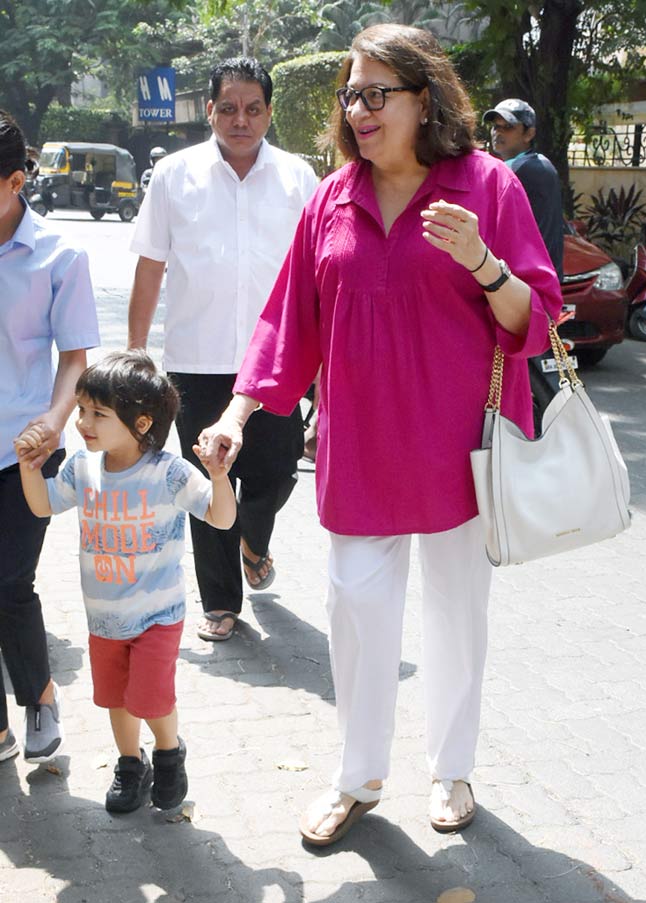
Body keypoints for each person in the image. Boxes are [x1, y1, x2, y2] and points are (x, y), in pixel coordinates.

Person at [197, 24, 563, 845]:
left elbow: (535, 318)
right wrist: (235, 414)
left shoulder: (487, 186)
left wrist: (484, 263)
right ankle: (357, 776)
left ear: (424, 100)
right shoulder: (333, 197)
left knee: (457, 612)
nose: (359, 111)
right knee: (357, 611)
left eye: (376, 94)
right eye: (350, 95)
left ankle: (452, 768)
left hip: (461, 448)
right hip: (360, 447)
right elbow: (289, 320)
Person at [128, 57, 319, 642]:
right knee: (207, 480)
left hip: (277, 361)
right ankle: (220, 601)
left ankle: (253, 539)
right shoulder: (173, 175)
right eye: (229, 108)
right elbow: (150, 266)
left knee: (278, 471)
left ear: (269, 112)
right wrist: (134, 354)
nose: (241, 120)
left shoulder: (298, 178)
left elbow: (317, 273)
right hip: (196, 361)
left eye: (253, 109)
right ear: (210, 109)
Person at [14, 351, 236, 813]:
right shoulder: (82, 467)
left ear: (141, 423)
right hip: (104, 618)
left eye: (98, 413)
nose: (82, 422)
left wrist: (218, 477)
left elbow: (220, 517)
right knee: (117, 698)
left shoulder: (169, 472)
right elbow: (43, 505)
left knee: (151, 698)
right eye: (81, 410)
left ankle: (169, 753)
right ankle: (130, 764)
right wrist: (28, 467)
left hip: (158, 615)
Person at [0, 110, 99, 767]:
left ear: (15, 182)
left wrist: (56, 421)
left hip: (25, 451)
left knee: (9, 581)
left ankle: (39, 698)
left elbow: (75, 357)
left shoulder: (60, 255)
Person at [483, 98, 564, 279]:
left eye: (508, 127)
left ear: (529, 134)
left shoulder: (522, 170)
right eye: (495, 126)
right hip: (532, 280)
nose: (498, 132)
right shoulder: (537, 164)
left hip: (527, 283)